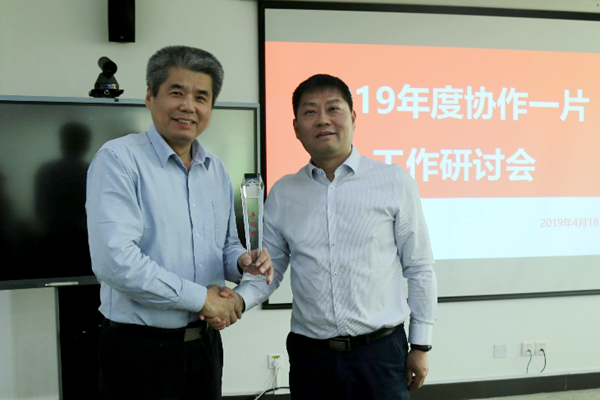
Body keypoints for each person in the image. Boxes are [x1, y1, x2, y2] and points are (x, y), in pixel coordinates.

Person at [234, 74, 438, 400]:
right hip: (311, 358)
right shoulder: (284, 193)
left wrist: (421, 344)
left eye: (333, 109)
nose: (323, 120)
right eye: (310, 112)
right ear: (296, 127)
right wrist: (236, 301)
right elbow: (267, 272)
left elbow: (420, 267)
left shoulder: (393, 181)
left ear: (353, 118)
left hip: (380, 353)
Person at [86, 45, 272, 400]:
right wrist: (202, 299)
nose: (189, 106)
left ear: (210, 108)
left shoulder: (215, 169)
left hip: (204, 347)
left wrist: (241, 261)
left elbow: (225, 245)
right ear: (150, 97)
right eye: (176, 93)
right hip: (139, 352)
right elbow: (115, 261)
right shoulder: (119, 160)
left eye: (201, 97)